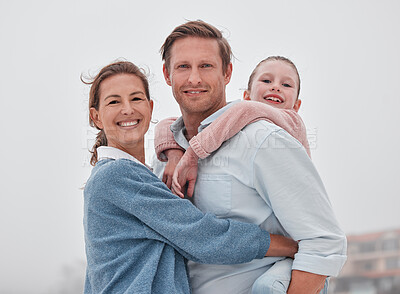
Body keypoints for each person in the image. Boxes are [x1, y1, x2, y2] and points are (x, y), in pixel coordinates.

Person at [152, 20, 347, 294]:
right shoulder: (165, 155)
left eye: (206, 66)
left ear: (227, 72)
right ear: (167, 74)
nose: (194, 78)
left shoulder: (264, 140)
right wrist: (173, 152)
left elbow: (325, 243)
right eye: (183, 66)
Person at [82, 61, 298, 294]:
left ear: (150, 107)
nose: (128, 109)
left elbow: (171, 125)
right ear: (96, 117)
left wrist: (175, 153)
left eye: (136, 99)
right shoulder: (117, 175)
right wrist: (293, 245)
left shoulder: (135, 174)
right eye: (114, 101)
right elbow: (201, 236)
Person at [154, 56, 311, 198]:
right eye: (266, 81)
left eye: (286, 84)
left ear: (296, 106)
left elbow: (247, 110)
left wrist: (192, 154)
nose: (276, 87)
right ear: (247, 96)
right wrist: (175, 154)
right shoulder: (236, 120)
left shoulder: (294, 122)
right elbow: (168, 124)